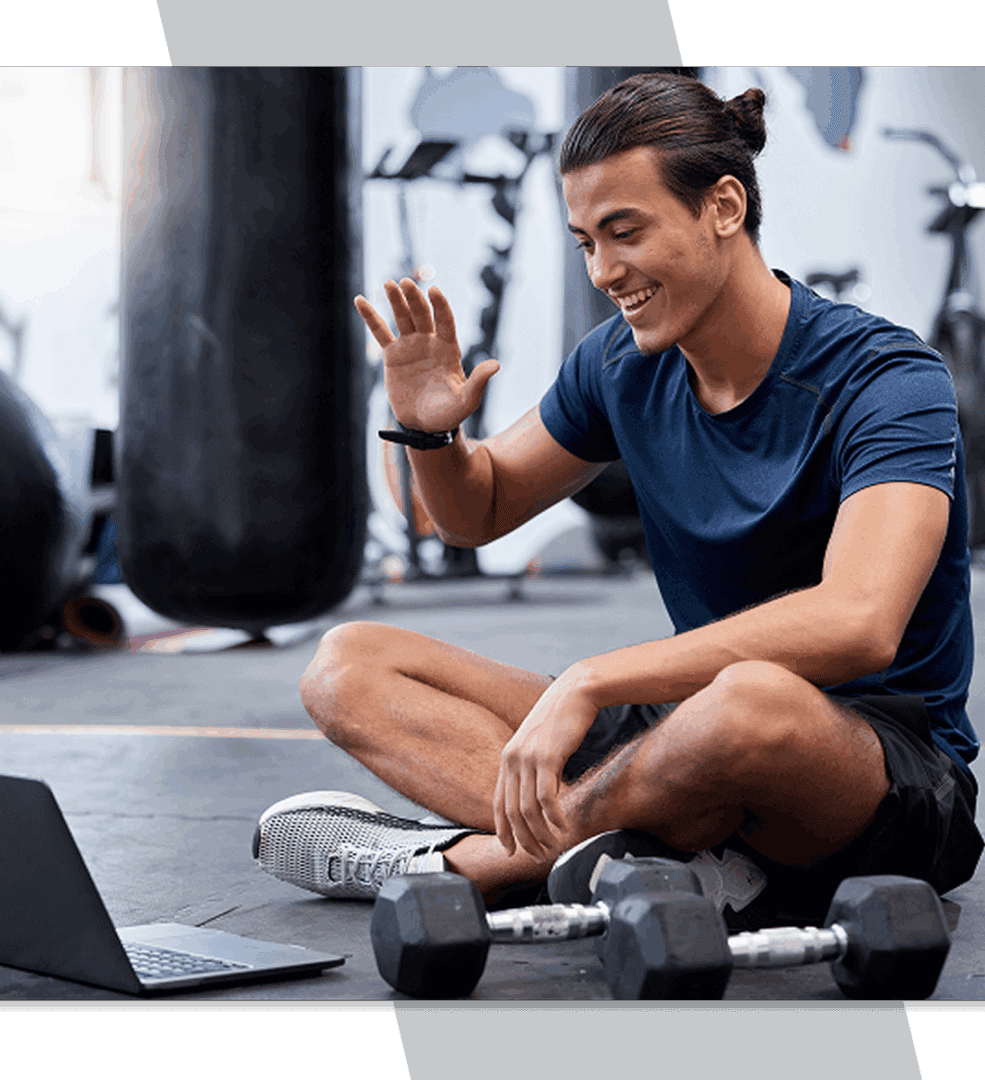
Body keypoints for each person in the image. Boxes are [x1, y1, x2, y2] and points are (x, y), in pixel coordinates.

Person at [253, 72, 983, 930]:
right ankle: (645, 850)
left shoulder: (886, 377)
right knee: (348, 664)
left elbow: (857, 621)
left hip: (868, 772)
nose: (603, 271)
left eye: (623, 232)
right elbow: (474, 514)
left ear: (722, 206)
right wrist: (430, 434)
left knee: (750, 701)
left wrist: (592, 682)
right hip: (684, 737)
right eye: (584, 242)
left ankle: (472, 859)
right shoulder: (619, 364)